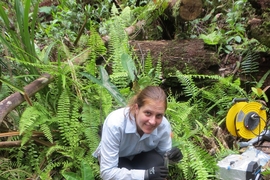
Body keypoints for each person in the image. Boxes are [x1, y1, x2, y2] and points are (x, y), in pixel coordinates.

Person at [93, 86, 182, 180]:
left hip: (141, 157)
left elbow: (164, 158)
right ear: (136, 108)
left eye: (159, 115)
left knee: (157, 163)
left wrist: (174, 157)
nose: (152, 121)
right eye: (148, 113)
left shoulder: (163, 125)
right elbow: (107, 172)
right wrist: (145, 175)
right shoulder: (116, 123)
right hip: (117, 159)